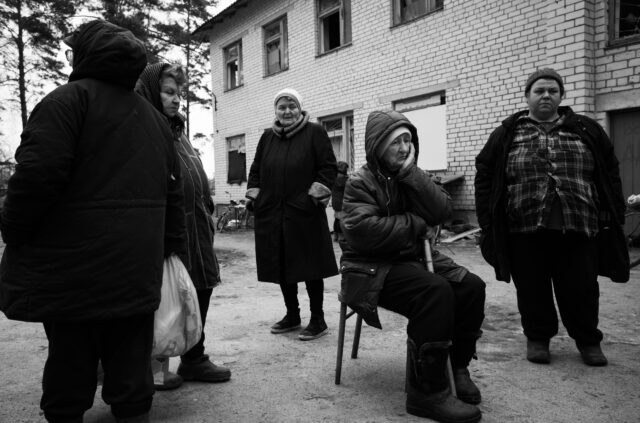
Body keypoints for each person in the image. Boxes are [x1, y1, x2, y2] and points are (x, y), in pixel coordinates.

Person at [0, 20, 186, 423]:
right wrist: (168, 250)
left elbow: (33, 180)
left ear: (84, 56)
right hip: (135, 273)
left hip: (73, 275)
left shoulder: (65, 103)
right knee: (132, 369)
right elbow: (174, 198)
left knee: (70, 366)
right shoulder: (155, 122)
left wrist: (13, 231)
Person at [474, 68, 629, 367]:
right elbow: (485, 171)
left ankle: (587, 340)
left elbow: (610, 169)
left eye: (552, 91)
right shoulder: (508, 132)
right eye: (539, 91)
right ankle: (538, 338)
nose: (546, 95)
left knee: (581, 287)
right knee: (532, 287)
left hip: (578, 224)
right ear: (527, 96)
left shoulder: (585, 129)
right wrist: (488, 220)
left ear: (561, 96)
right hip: (524, 226)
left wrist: (613, 210)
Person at [339, 110, 484, 423]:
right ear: (378, 146)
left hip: (410, 259)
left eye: (409, 140)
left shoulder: (412, 175)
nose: (405, 147)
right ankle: (426, 393)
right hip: (370, 268)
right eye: (396, 141)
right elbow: (363, 232)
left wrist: (413, 175)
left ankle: (457, 367)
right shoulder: (359, 182)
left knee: (472, 287)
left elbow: (442, 210)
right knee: (435, 292)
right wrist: (415, 223)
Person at [135, 62, 231, 389]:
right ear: (150, 90)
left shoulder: (177, 129)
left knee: (198, 288)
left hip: (197, 227)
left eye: (179, 93)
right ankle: (154, 367)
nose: (176, 99)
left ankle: (194, 358)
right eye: (168, 92)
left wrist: (206, 210)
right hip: (167, 229)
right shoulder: (144, 129)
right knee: (165, 300)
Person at [245, 88, 338, 341]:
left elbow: (328, 167)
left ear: (300, 108)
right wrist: (255, 196)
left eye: (292, 106)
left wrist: (314, 195)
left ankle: (317, 319)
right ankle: (292, 315)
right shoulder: (267, 137)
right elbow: (255, 169)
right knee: (282, 263)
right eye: (282, 107)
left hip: (304, 211)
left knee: (310, 266)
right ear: (275, 110)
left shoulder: (314, 132)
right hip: (273, 211)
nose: (287, 111)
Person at [332, 161, 349, 242]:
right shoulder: (344, 178)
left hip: (335, 201)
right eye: (346, 168)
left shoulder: (334, 176)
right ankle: (341, 237)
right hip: (341, 202)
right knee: (342, 219)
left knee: (337, 219)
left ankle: (335, 236)